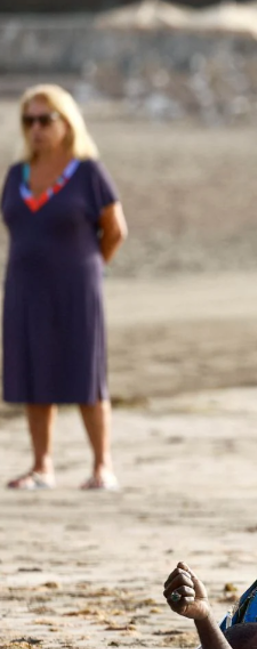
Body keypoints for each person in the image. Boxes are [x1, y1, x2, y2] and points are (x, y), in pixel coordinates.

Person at [2, 84, 127, 492]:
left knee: (86, 375)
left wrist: (88, 269)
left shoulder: (88, 172)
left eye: (44, 119)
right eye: (29, 120)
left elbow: (115, 231)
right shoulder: (16, 175)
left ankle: (102, 466)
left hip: (77, 287)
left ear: (67, 122)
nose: (36, 128)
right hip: (25, 286)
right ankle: (42, 466)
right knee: (34, 372)